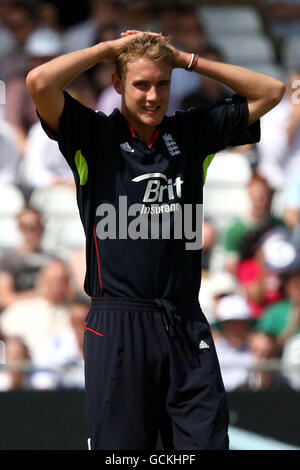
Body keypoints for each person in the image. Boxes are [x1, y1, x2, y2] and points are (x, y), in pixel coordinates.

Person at [26, 30, 284, 450]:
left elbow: (270, 91)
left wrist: (186, 60)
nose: (153, 96)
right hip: (117, 323)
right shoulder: (91, 136)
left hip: (184, 320)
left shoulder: (191, 132)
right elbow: (39, 81)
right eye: (141, 84)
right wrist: (107, 51)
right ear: (117, 84)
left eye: (162, 84)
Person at [0, 205, 53, 310]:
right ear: (19, 228)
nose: (30, 232)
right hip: (20, 312)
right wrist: (39, 294)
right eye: (25, 226)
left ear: (42, 228)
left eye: (35, 227)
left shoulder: (54, 260)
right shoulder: (8, 260)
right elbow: (6, 299)